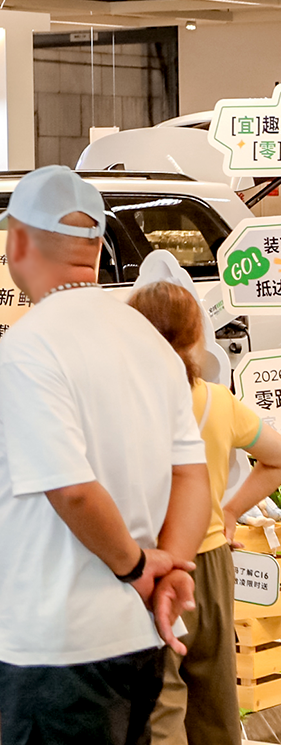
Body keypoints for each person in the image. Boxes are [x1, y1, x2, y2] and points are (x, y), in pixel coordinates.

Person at [0, 166, 211, 745]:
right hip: (138, 636)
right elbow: (192, 475)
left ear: (19, 240)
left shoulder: (31, 343)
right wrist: (170, 571)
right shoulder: (147, 338)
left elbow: (72, 488)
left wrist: (137, 568)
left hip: (57, 642)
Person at [130, 280, 281, 745]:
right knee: (216, 702)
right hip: (213, 564)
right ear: (197, 336)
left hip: (151, 564)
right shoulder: (219, 401)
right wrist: (231, 510)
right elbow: (277, 458)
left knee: (161, 703)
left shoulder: (127, 405)